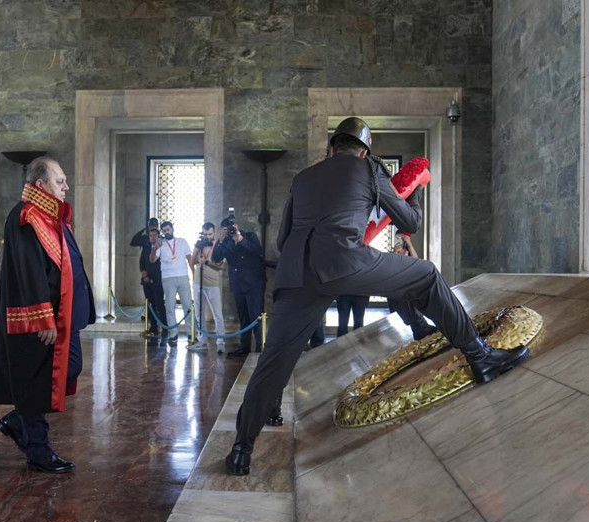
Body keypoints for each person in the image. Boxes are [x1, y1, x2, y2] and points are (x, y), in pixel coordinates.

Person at [226, 117, 530, 476]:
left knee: (273, 361)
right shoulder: (369, 168)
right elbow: (409, 222)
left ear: (331, 148)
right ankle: (480, 357)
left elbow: (282, 240)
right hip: (346, 262)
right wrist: (415, 189)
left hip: (295, 275)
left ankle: (241, 449)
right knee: (426, 275)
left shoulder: (303, 178)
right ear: (365, 150)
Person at [0, 156, 96, 474]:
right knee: (35, 381)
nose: (66, 186)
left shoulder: (50, 215)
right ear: (40, 184)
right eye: (59, 181)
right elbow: (28, 271)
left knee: (70, 367)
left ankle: (17, 420)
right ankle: (38, 450)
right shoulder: (26, 216)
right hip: (43, 319)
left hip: (65, 314)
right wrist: (42, 317)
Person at [212, 217, 266, 356]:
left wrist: (241, 239)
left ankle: (260, 347)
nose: (230, 231)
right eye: (226, 229)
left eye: (231, 227)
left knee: (256, 317)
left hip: (254, 284)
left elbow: (258, 251)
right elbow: (216, 258)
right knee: (243, 318)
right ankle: (244, 346)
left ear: (236, 225)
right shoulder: (225, 242)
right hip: (238, 284)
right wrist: (220, 240)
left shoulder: (249, 236)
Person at [149, 221, 192, 345]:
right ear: (162, 232)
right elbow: (152, 260)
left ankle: (191, 333)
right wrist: (155, 248)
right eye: (164, 230)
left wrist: (194, 273)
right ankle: (173, 334)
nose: (166, 232)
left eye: (168, 229)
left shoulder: (182, 242)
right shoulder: (160, 244)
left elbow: (189, 258)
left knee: (188, 306)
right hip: (168, 279)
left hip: (183, 277)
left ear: (172, 229)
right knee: (169, 307)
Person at [388, 234, 438, 340]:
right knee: (404, 301)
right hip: (398, 287)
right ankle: (419, 326)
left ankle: (420, 325)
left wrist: (409, 244)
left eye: (401, 238)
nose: (400, 241)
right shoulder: (392, 255)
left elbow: (417, 261)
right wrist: (395, 253)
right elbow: (390, 268)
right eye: (397, 238)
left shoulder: (408, 252)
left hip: (410, 285)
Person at [188, 222, 226, 353]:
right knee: (199, 313)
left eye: (209, 234)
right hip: (198, 283)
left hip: (212, 284)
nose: (207, 237)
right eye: (205, 234)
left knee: (217, 314)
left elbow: (221, 266)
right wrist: (197, 248)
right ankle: (202, 340)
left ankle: (220, 342)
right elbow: (192, 261)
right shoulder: (199, 244)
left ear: (214, 232)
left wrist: (207, 262)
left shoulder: (218, 246)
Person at [140, 227, 167, 343]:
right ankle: (153, 326)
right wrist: (144, 274)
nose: (152, 238)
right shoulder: (146, 247)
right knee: (149, 304)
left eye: (154, 236)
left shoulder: (163, 247)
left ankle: (165, 326)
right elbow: (142, 262)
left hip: (158, 280)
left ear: (158, 236)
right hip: (147, 280)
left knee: (159, 303)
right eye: (150, 236)